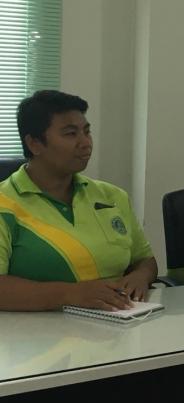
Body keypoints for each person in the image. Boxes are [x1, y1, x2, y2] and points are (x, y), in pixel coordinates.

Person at [0, 90, 157, 312]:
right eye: (71, 134)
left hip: (119, 323)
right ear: (34, 144)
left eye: (87, 131)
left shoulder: (112, 196)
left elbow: (144, 259)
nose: (85, 143)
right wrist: (72, 294)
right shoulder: (5, 204)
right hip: (36, 330)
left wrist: (141, 277)